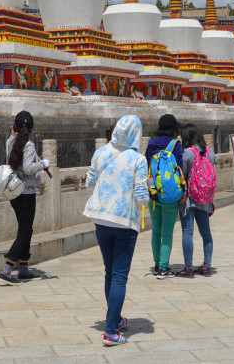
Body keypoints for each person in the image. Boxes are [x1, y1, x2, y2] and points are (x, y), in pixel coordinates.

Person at [83, 114, 149, 346]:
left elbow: (88, 182)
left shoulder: (100, 152)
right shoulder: (138, 159)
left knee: (110, 272)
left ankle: (116, 319)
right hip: (124, 222)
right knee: (120, 276)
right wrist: (148, 198)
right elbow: (141, 196)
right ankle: (111, 331)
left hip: (100, 218)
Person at [0, 111, 49, 284]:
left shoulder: (9, 141)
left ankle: (24, 269)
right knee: (25, 232)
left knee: (26, 229)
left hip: (14, 192)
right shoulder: (28, 145)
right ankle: (7, 268)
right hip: (26, 193)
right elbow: (28, 168)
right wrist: (43, 163)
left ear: (15, 127)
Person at [145, 114, 184, 278]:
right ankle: (163, 268)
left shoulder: (151, 143)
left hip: (153, 194)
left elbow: (147, 165)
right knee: (167, 233)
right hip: (170, 195)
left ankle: (156, 264)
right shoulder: (175, 144)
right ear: (173, 129)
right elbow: (180, 170)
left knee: (156, 232)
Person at [177, 124, 214, 278]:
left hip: (189, 198)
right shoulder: (210, 152)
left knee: (188, 232)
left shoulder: (186, 153)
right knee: (206, 233)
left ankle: (188, 268)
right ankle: (206, 266)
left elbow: (183, 176)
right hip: (204, 198)